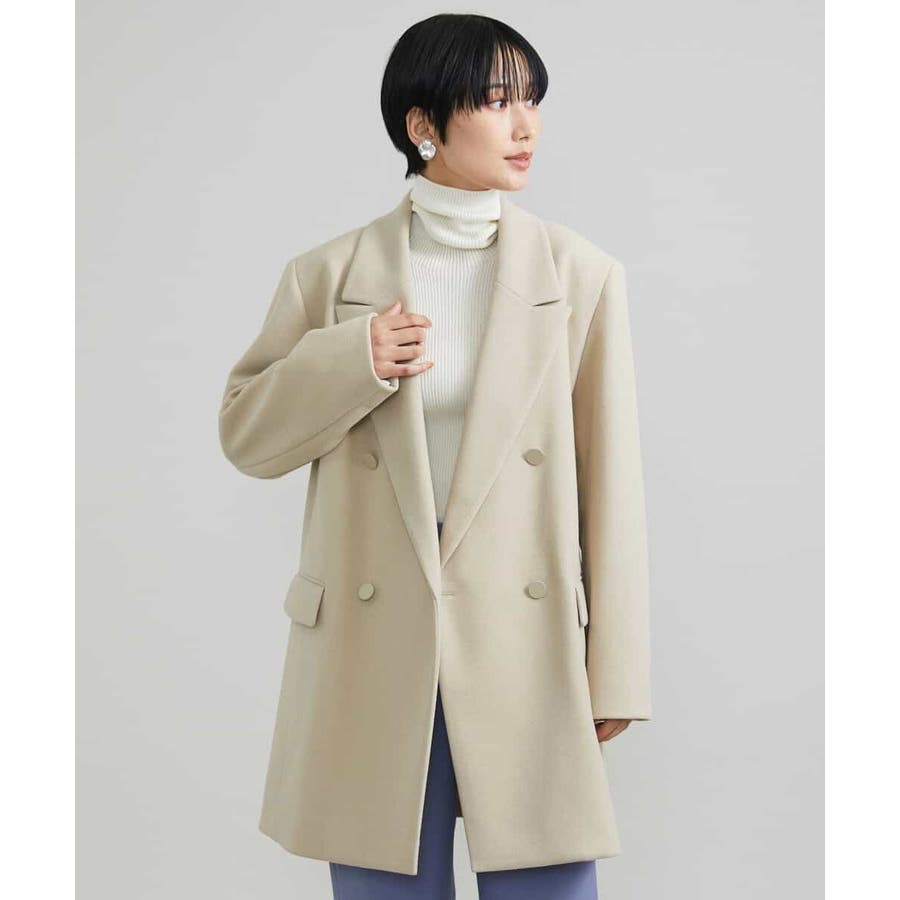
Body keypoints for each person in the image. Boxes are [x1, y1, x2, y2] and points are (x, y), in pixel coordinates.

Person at [218, 12, 652, 900]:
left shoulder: (580, 275)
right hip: (377, 648)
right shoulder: (327, 276)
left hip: (523, 644)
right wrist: (354, 360)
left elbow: (613, 487)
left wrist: (617, 668)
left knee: (545, 883)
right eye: (496, 101)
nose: (525, 126)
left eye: (532, 100)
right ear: (423, 124)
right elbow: (247, 437)